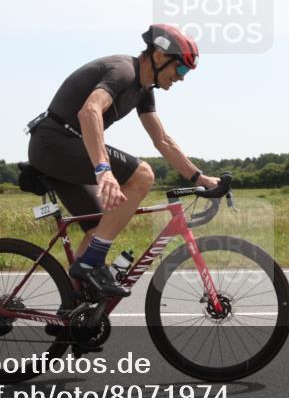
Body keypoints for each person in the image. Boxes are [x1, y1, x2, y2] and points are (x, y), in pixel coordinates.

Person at [26, 24, 220, 298]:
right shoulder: (124, 72)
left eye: (186, 72)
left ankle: (76, 307)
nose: (181, 77)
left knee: (99, 227)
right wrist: (103, 170)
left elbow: (162, 140)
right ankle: (91, 264)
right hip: (53, 143)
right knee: (143, 175)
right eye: (181, 68)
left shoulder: (143, 88)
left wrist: (199, 178)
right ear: (160, 56)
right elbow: (90, 111)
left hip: (62, 148)